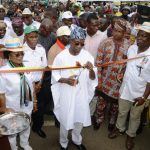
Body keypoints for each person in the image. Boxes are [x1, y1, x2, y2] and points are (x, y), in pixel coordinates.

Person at [51, 27, 97, 150]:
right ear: (70, 41)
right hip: (66, 93)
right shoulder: (61, 56)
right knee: (65, 120)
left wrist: (92, 69)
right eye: (77, 43)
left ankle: (77, 140)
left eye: (82, 43)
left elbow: (93, 78)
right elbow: (54, 76)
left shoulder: (87, 56)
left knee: (79, 119)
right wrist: (66, 80)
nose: (79, 46)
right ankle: (63, 142)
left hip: (81, 94)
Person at [108, 22, 150, 150]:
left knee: (135, 116)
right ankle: (119, 128)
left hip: (140, 93)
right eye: (139, 35)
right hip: (125, 88)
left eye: (144, 36)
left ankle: (130, 136)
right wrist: (121, 73)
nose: (139, 38)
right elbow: (128, 64)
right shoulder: (132, 48)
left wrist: (144, 97)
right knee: (122, 112)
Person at [0, 38, 40, 150]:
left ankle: (24, 143)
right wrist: (4, 108)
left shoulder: (27, 67)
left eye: (22, 53)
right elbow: (1, 94)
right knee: (12, 130)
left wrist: (35, 101)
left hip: (27, 104)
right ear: (8, 55)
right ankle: (13, 147)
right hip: (12, 107)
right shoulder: (4, 72)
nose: (21, 56)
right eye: (17, 54)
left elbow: (31, 85)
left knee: (26, 124)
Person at [92, 19, 130, 131]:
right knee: (101, 102)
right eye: (114, 30)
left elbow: (129, 65)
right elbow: (98, 63)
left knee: (115, 105)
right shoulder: (105, 42)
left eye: (119, 31)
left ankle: (112, 121)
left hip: (119, 82)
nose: (115, 33)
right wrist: (98, 81)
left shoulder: (129, 45)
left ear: (124, 33)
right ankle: (99, 119)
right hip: (104, 79)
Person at [23, 25, 47, 138]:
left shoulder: (41, 49)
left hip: (39, 84)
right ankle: (23, 131)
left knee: (40, 108)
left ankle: (37, 127)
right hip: (26, 85)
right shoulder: (21, 51)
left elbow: (43, 68)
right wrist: (32, 86)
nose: (33, 39)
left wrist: (40, 83)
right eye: (31, 37)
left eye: (35, 37)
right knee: (26, 108)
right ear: (26, 37)